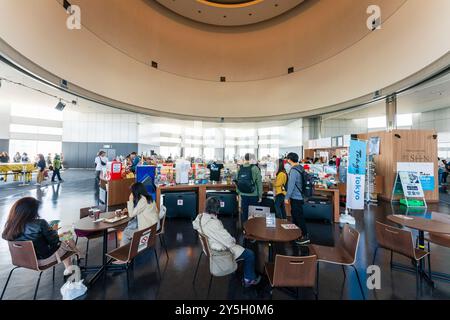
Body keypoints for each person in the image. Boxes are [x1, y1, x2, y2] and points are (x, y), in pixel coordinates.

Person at [192, 197, 261, 287]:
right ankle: (249, 279)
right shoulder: (214, 223)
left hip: (208, 248)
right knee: (250, 254)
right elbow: (229, 242)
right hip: (220, 252)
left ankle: (238, 270)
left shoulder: (200, 218)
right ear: (217, 209)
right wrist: (234, 239)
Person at [2, 197, 78, 275]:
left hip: (25, 260)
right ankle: (73, 261)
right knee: (67, 235)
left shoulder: (11, 226)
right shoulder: (40, 223)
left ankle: (74, 259)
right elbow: (55, 242)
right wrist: (53, 230)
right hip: (44, 259)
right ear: (31, 211)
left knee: (64, 237)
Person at [120, 182, 159, 247]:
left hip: (147, 230)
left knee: (126, 233)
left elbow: (131, 214)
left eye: (132, 192)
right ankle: (130, 248)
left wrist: (130, 199)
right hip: (153, 226)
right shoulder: (149, 198)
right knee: (130, 227)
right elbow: (143, 210)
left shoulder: (143, 201)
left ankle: (124, 253)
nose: (131, 193)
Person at [285, 152, 309, 245]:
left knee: (298, 217)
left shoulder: (294, 170)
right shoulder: (300, 168)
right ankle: (297, 234)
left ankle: (305, 235)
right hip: (301, 196)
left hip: (296, 197)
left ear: (290, 160)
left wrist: (287, 197)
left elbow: (291, 186)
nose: (287, 161)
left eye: (287, 159)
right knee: (296, 216)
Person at [236, 153, 263, 224]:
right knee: (254, 214)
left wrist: (238, 193)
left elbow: (237, 181)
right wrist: (260, 195)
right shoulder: (255, 168)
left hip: (243, 194)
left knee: (244, 212)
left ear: (245, 158)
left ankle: (245, 229)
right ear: (251, 159)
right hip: (253, 194)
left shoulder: (240, 168)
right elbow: (259, 183)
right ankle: (254, 230)